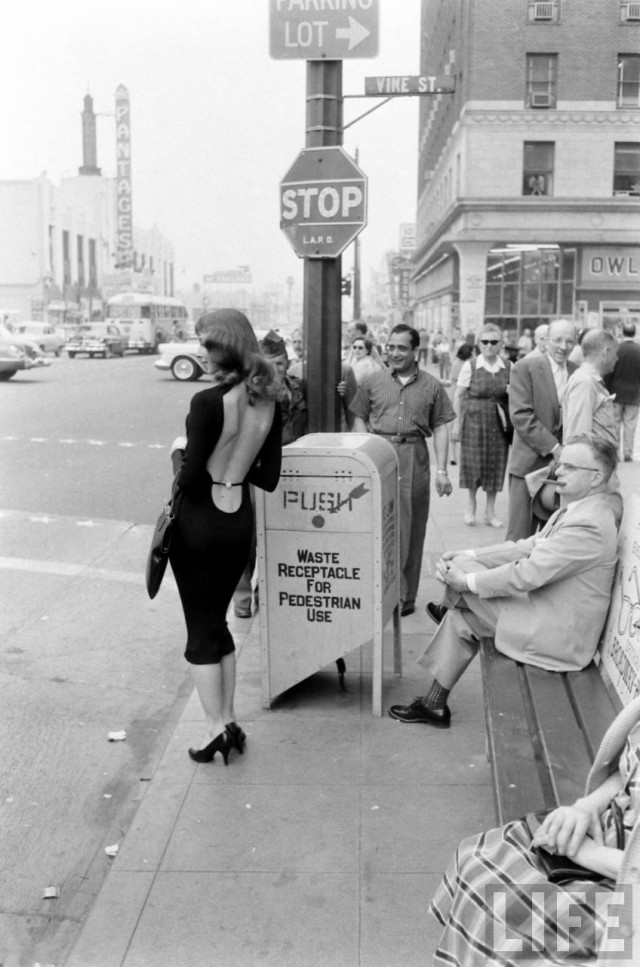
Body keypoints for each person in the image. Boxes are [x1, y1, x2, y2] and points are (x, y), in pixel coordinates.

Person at [388, 436, 621, 728]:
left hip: (559, 638)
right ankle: (433, 705)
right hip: (549, 613)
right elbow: (527, 546)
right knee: (463, 613)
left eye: (569, 467)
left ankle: (451, 603)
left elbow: (528, 573)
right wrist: (468, 553)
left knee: (464, 590)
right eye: (559, 465)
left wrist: (465, 582)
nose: (558, 472)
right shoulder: (579, 507)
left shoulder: (589, 524)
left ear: (596, 476)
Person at [430, 693, 640, 965]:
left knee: (502, 903)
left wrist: (586, 853)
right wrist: (586, 806)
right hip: (616, 837)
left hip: (626, 890)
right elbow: (628, 772)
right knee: (478, 858)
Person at [169, 309, 282, 764]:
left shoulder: (208, 402)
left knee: (199, 633)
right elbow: (270, 476)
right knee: (219, 625)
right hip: (238, 521)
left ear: (228, 346)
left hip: (199, 524)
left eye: (207, 343)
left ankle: (215, 729)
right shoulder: (269, 400)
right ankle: (230, 720)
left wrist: (180, 454)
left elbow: (192, 479)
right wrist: (236, 465)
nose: (201, 351)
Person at [350, 323, 455, 617]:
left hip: (414, 456)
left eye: (401, 348)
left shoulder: (432, 385)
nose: (394, 353)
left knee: (411, 527)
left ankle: (405, 598)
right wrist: (365, 447)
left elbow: (441, 426)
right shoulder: (373, 381)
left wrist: (442, 471)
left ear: (415, 351)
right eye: (390, 347)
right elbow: (358, 415)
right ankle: (376, 590)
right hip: (378, 452)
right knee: (375, 524)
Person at [233, 329, 306, 618]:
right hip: (256, 473)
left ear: (288, 362)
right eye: (268, 363)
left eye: (279, 362)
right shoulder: (250, 394)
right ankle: (241, 600)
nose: (275, 369)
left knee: (276, 539)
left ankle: (267, 593)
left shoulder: (299, 388)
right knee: (246, 539)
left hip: (291, 474)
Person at [506, 318, 577, 541]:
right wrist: (555, 448)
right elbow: (521, 415)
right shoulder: (525, 368)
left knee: (554, 539)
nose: (563, 347)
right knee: (519, 538)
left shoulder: (578, 372)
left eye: (569, 341)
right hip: (528, 465)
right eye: (557, 340)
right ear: (545, 341)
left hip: (563, 471)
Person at [453, 324, 511, 527]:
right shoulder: (470, 365)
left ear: (501, 345)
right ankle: (471, 504)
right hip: (475, 420)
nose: (489, 346)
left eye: (494, 342)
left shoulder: (508, 366)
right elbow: (459, 395)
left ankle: (490, 511)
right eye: (485, 342)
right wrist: (455, 425)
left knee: (495, 463)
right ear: (478, 344)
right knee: (474, 463)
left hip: (498, 421)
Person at [563, 328, 618, 449]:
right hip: (590, 466)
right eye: (615, 353)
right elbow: (578, 438)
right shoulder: (585, 383)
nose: (616, 358)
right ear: (606, 352)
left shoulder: (590, 381)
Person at [605, 322, 640, 461]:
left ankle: (615, 451)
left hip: (616, 392)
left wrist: (607, 390)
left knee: (615, 423)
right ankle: (628, 452)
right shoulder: (639, 350)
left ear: (622, 332)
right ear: (635, 332)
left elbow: (608, 371)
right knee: (630, 424)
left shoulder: (616, 349)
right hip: (634, 393)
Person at [448, 344, 474, 466]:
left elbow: (452, 380)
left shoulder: (455, 363)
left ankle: (453, 455)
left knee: (454, 424)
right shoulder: (468, 365)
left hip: (454, 394)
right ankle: (464, 455)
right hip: (464, 395)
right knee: (465, 424)